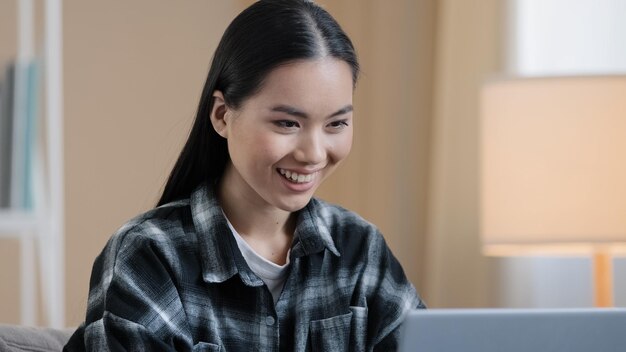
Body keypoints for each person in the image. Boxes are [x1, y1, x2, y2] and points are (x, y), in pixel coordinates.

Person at [64, 0, 425, 350]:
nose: (313, 153)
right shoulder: (149, 257)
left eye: (337, 123)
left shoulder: (360, 250)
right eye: (287, 123)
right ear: (222, 115)